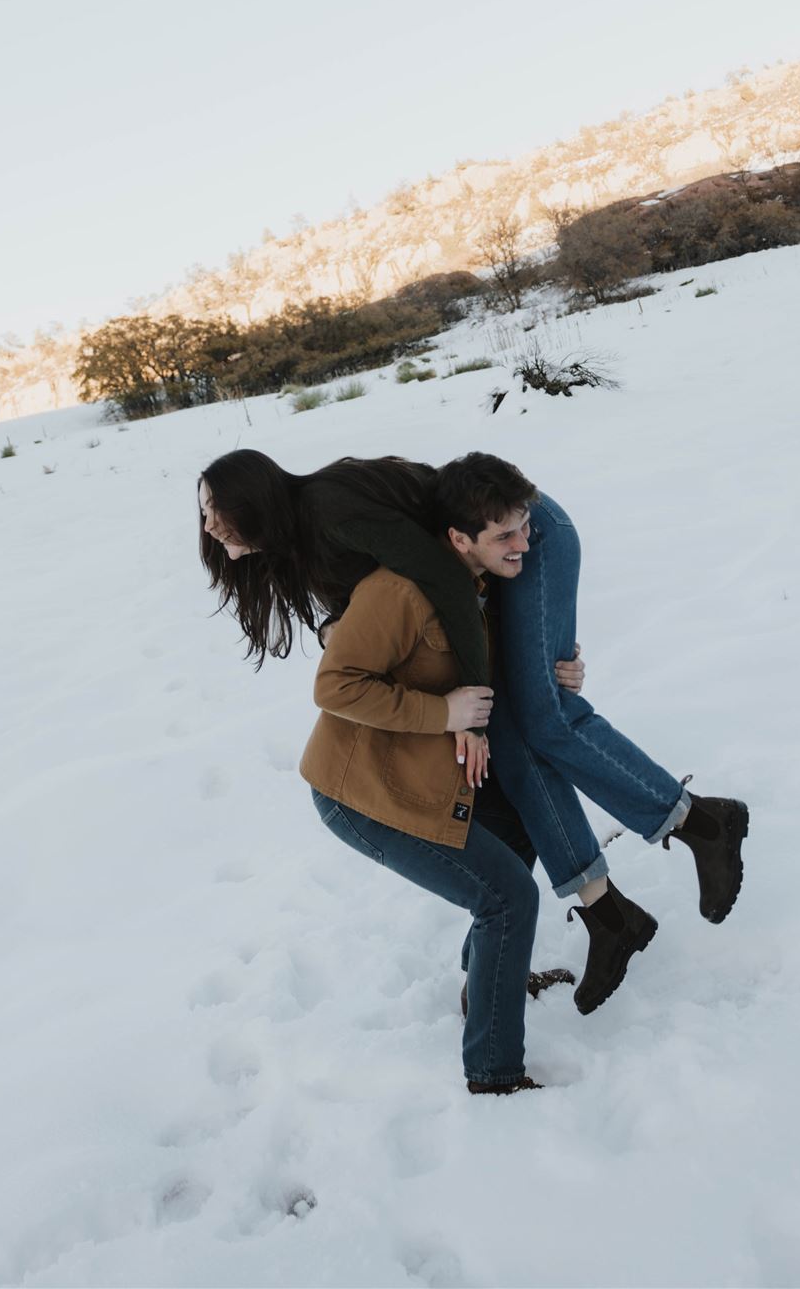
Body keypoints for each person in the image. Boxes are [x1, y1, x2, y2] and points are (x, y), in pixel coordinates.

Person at [198, 448, 748, 1073]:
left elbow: (448, 583)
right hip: (481, 554)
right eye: (205, 512)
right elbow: (400, 617)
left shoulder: (333, 515)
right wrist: (481, 696)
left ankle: (698, 824)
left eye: (219, 509)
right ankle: (604, 917)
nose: (210, 525)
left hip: (514, 532)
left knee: (536, 722)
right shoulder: (323, 551)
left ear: (256, 501)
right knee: (520, 754)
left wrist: (499, 693)